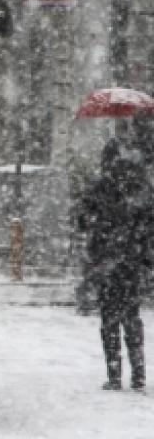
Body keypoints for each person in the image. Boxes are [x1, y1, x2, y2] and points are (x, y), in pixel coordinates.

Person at [79, 136, 154, 390]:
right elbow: (148, 223)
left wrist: (98, 232)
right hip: (129, 260)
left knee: (110, 318)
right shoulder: (138, 187)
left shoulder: (99, 187)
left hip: (107, 261)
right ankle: (139, 373)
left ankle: (114, 374)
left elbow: (82, 220)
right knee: (131, 316)